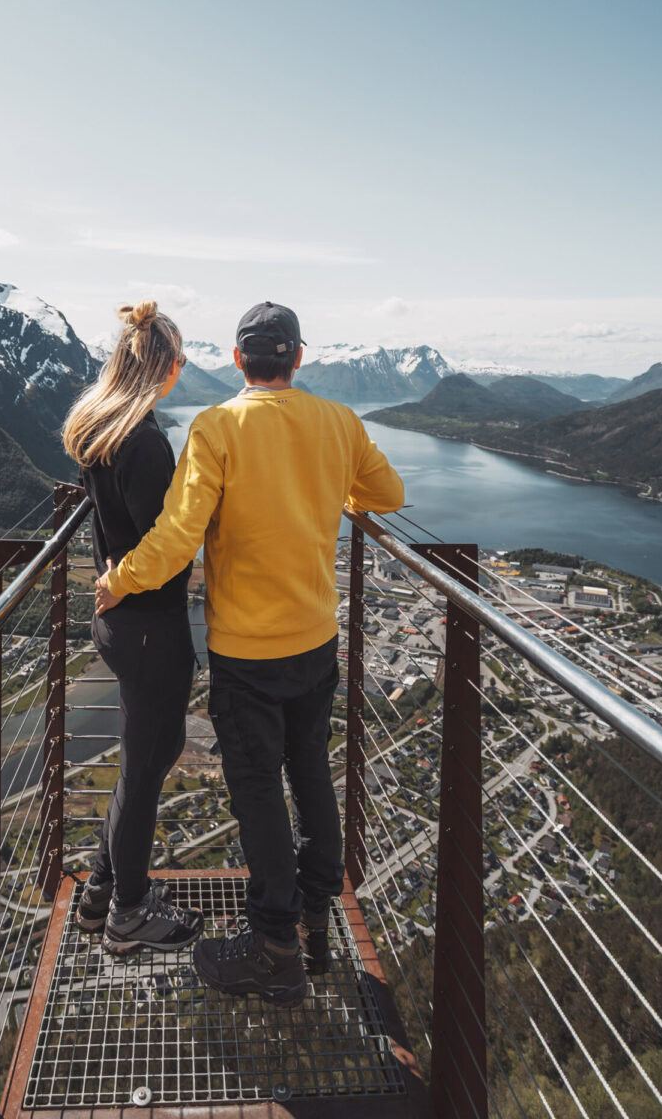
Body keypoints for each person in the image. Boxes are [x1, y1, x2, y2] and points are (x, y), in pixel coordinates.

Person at [95, 301, 405, 1003]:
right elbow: (386, 492)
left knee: (260, 789)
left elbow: (176, 538)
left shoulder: (217, 426)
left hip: (245, 654)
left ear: (238, 360)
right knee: (311, 772)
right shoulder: (338, 422)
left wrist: (120, 578)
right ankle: (317, 918)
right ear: (298, 357)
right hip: (315, 640)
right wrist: (328, 487)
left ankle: (273, 948)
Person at [62, 300, 203, 955]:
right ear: (163, 368)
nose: (181, 371)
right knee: (147, 769)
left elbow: (122, 531)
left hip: (120, 624)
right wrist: (194, 568)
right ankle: (127, 914)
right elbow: (162, 547)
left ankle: (100, 890)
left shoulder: (97, 427)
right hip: (149, 627)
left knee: (139, 766)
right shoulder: (144, 440)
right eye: (178, 362)